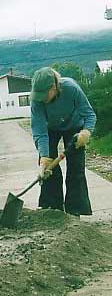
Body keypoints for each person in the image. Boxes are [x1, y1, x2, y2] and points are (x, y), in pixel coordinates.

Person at [30, 67, 97, 217]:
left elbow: (89, 114)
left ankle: (75, 210)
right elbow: (39, 131)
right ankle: (53, 210)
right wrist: (44, 157)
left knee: (76, 168)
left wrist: (86, 132)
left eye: (44, 94)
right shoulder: (36, 99)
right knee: (49, 169)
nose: (41, 98)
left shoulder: (71, 88)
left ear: (53, 87)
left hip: (74, 127)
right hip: (50, 129)